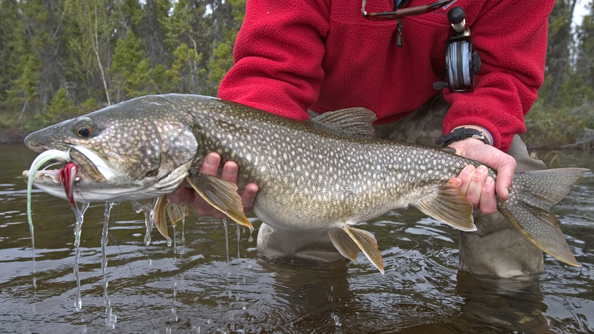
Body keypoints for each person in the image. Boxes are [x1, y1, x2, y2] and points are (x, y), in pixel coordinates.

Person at [169, 0, 554, 277]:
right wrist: (248, 154)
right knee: (294, 240)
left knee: (502, 175)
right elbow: (272, 68)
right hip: (320, 124)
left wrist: (475, 132)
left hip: (445, 115)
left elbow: (503, 72)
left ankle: (505, 326)